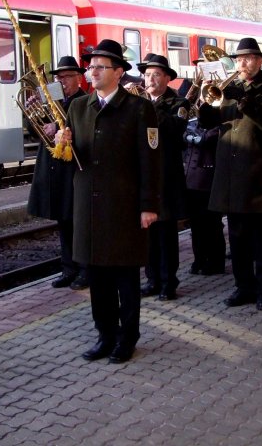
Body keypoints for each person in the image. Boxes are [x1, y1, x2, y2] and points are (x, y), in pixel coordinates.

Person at [57, 39, 160, 364]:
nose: (92, 71)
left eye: (100, 67)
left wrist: (148, 205)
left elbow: (150, 160)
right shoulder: (78, 108)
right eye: (91, 67)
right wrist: (62, 144)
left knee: (125, 278)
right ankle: (105, 335)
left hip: (124, 207)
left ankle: (127, 338)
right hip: (89, 207)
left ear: (118, 72)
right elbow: (71, 160)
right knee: (97, 279)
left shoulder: (139, 108)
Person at [199, 37, 262, 311]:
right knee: (236, 236)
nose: (243, 63)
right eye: (238, 59)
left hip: (257, 173)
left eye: (248, 58)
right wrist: (205, 100)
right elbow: (207, 121)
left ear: (260, 61)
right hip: (229, 174)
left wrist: (245, 100)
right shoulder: (230, 88)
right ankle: (243, 286)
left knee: (261, 237)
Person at [27, 56, 88, 290]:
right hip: (54, 170)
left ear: (78, 78)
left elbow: (82, 133)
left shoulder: (84, 101)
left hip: (73, 171)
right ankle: (68, 268)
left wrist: (61, 128)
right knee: (64, 222)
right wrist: (32, 112)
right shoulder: (52, 100)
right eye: (59, 77)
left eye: (67, 77)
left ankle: (84, 270)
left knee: (78, 223)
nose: (62, 81)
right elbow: (36, 132)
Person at [135, 54, 190, 301]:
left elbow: (174, 131)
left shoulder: (178, 103)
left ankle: (169, 282)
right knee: (147, 234)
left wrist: (147, 105)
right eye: (147, 74)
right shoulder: (138, 102)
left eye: (156, 74)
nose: (150, 79)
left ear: (167, 78)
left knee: (166, 235)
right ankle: (152, 279)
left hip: (167, 177)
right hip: (145, 176)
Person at [183, 63, 226, 277]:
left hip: (208, 180)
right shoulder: (196, 118)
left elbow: (205, 138)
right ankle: (200, 259)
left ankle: (215, 261)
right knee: (197, 226)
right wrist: (197, 85)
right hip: (191, 180)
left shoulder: (216, 122)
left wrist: (193, 135)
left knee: (211, 224)